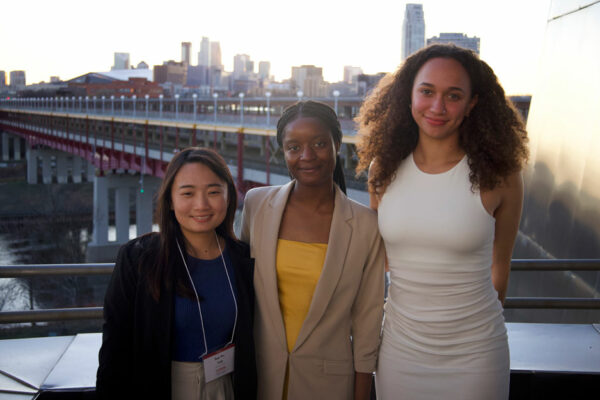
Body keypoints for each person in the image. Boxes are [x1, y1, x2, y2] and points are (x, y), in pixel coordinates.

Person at [355, 44, 528, 399]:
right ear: (409, 95)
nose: (437, 107)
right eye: (427, 92)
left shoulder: (501, 176)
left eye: (453, 95)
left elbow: (501, 271)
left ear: (472, 104)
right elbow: (382, 262)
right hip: (401, 351)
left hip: (476, 353)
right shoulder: (382, 172)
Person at [241, 101, 385, 400]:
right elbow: (239, 291)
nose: (306, 156)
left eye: (319, 144)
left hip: (328, 385)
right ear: (283, 151)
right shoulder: (256, 206)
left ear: (337, 145)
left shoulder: (366, 225)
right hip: (258, 378)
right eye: (294, 147)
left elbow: (367, 322)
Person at [96, 147, 257, 400]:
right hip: (162, 386)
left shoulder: (243, 259)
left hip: (227, 386)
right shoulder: (140, 259)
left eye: (214, 192)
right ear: (170, 200)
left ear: (229, 196)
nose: (202, 205)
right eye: (188, 193)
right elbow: (115, 349)